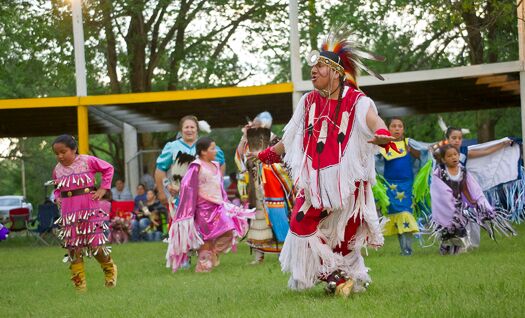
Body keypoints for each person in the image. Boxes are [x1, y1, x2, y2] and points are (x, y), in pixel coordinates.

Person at [253, 30, 395, 296]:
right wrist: (267, 155)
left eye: (319, 66)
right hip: (315, 183)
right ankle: (335, 277)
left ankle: (345, 278)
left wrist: (383, 134)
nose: (313, 71)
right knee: (300, 223)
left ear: (336, 72)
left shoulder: (357, 102)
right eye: (313, 67)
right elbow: (291, 138)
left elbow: (375, 121)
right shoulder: (308, 102)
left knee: (343, 238)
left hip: (348, 186)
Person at [165, 137, 254, 273]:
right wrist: (182, 198)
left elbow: (219, 187)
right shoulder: (196, 166)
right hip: (203, 209)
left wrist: (225, 202)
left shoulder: (215, 165)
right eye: (212, 148)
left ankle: (212, 253)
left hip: (218, 207)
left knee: (229, 231)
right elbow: (188, 186)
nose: (215, 151)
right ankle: (202, 267)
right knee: (206, 240)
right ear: (203, 152)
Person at [51, 134, 117, 291]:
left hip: (88, 206)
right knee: (73, 248)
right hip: (69, 211)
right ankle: (80, 285)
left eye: (63, 151)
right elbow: (57, 187)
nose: (60, 156)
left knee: (96, 245)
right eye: (57, 153)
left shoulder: (87, 161)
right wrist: (58, 197)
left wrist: (103, 188)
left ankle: (109, 269)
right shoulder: (57, 170)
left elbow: (108, 168)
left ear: (73, 149)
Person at [430, 145, 515, 255]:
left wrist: (471, 200)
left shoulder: (462, 171)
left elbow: (465, 187)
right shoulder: (440, 172)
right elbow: (438, 188)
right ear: (443, 159)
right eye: (449, 156)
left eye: (455, 154)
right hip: (445, 206)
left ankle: (457, 248)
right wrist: (445, 199)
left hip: (458, 206)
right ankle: (445, 246)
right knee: (447, 229)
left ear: (459, 156)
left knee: (459, 227)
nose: (453, 157)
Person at [235, 111, 294, 264]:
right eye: (253, 123)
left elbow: (283, 158)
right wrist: (244, 137)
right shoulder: (248, 139)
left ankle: (284, 254)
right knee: (257, 218)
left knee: (277, 217)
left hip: (271, 184)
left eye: (257, 123)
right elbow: (239, 159)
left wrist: (262, 158)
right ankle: (259, 255)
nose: (254, 125)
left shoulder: (272, 137)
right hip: (255, 185)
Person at [154, 116, 226, 214]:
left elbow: (221, 163)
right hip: (180, 197)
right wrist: (163, 190)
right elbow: (160, 169)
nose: (189, 130)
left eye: (192, 127)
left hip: (205, 199)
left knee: (203, 228)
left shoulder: (207, 145)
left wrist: (218, 183)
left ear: (197, 129)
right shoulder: (172, 147)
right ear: (181, 130)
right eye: (186, 127)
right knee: (182, 226)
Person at [379, 117, 420, 256]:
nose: (397, 128)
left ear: (403, 129)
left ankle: (407, 249)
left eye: (400, 126)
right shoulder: (384, 145)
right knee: (397, 216)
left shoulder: (408, 143)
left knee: (405, 214)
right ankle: (405, 249)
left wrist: (411, 150)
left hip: (406, 185)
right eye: (394, 126)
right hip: (390, 186)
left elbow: (421, 155)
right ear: (388, 129)